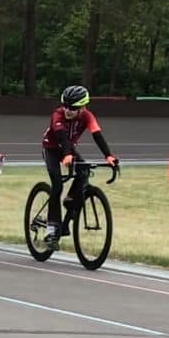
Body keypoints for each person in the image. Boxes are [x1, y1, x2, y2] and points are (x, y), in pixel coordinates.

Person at [41, 85, 117, 250]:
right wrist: (67, 154)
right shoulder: (57, 114)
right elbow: (61, 135)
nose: (68, 110)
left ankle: (71, 200)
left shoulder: (88, 116)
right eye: (65, 105)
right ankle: (51, 229)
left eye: (73, 107)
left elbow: (97, 135)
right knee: (57, 184)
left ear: (83, 107)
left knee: (84, 171)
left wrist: (108, 155)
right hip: (52, 148)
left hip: (69, 149)